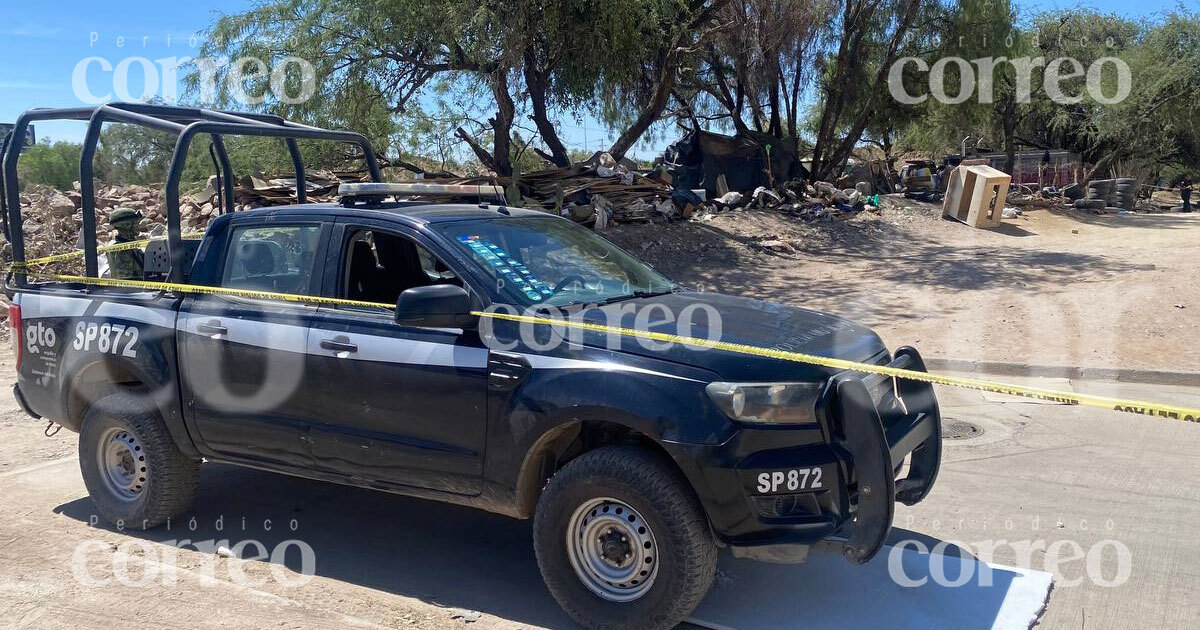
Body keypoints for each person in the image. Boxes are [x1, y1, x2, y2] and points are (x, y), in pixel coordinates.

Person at [106, 207, 145, 279]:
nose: (138, 226)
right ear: (126, 225)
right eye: (136, 224)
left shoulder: (127, 244)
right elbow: (127, 278)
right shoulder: (121, 248)